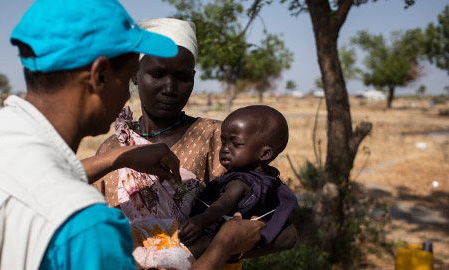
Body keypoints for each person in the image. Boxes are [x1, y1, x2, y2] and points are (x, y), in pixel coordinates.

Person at [0, 1, 264, 269]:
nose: (126, 96)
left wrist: (119, 157)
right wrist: (222, 248)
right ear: (100, 76)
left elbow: (26, 183)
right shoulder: (85, 226)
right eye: (131, 74)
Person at [93, 17, 297, 257]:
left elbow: (285, 234)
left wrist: (222, 248)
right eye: (157, 74)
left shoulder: (220, 140)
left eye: (182, 77)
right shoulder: (113, 150)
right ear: (135, 75)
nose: (170, 88)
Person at [178, 105, 298, 261]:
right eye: (223, 142)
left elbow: (221, 207)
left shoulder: (239, 183)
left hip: (212, 240)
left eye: (236, 144)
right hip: (239, 245)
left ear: (265, 154)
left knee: (183, 252)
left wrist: (199, 221)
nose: (225, 149)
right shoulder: (269, 180)